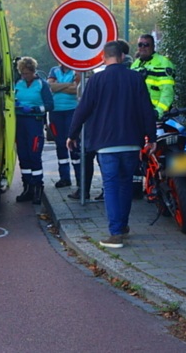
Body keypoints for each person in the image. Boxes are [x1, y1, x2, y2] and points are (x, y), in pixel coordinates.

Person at [67, 41, 156, 249]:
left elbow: (83, 109)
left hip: (106, 143)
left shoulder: (97, 80)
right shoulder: (136, 78)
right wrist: (150, 138)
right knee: (125, 184)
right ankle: (123, 225)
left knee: (111, 186)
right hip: (132, 142)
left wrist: (71, 134)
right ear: (123, 57)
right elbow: (146, 109)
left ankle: (115, 233)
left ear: (103, 57)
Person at [130, 34, 175, 198]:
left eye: (146, 44)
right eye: (140, 44)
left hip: (157, 117)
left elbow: (167, 92)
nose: (143, 47)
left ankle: (164, 181)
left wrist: (159, 111)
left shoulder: (163, 63)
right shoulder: (135, 65)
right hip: (137, 118)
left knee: (158, 152)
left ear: (153, 46)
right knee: (137, 153)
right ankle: (137, 191)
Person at [15, 57, 54, 205]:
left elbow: (50, 105)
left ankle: (38, 188)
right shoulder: (18, 84)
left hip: (34, 122)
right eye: (23, 74)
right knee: (23, 155)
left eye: (27, 73)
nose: (25, 76)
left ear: (33, 72)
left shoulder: (42, 85)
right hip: (20, 121)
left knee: (34, 155)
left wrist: (34, 109)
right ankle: (27, 188)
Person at [47, 63, 80, 189]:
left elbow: (76, 89)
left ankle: (79, 178)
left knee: (74, 143)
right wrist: (68, 85)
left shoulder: (76, 70)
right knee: (60, 144)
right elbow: (50, 87)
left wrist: (58, 86)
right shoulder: (54, 70)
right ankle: (64, 178)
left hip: (72, 110)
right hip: (55, 112)